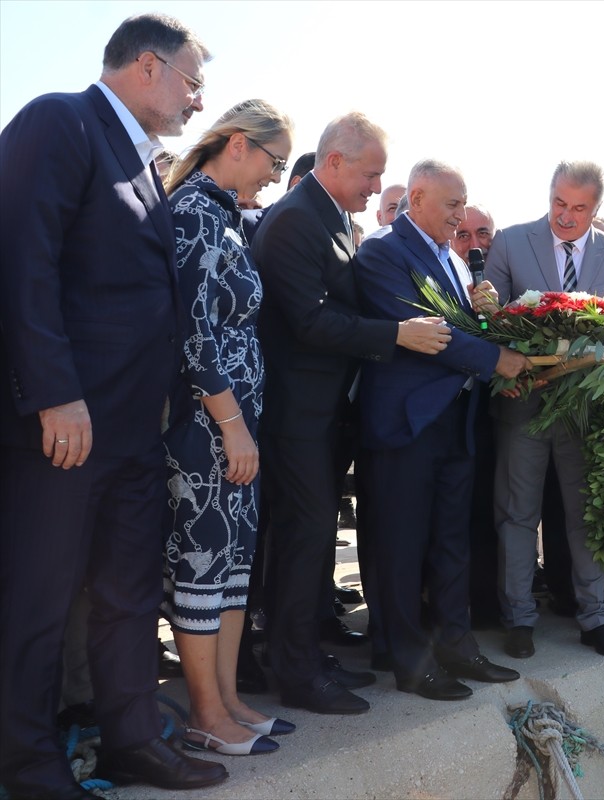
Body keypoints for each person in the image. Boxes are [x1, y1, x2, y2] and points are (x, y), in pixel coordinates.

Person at [0, 13, 230, 795]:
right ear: (146, 66)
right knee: (39, 600)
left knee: (129, 598)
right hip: (63, 430)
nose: (200, 101)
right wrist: (53, 392)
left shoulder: (142, 164)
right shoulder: (60, 121)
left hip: (134, 433)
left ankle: (133, 736)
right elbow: (20, 258)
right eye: (193, 82)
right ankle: (26, 760)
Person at [252, 112, 451, 716]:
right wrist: (398, 335)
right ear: (333, 161)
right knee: (302, 539)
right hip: (294, 414)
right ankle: (295, 671)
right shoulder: (292, 221)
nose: (374, 188)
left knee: (311, 542)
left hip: (323, 413)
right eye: (371, 175)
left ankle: (306, 656)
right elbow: (310, 322)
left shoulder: (331, 219)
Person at [354, 160, 528, 700]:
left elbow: (459, 329)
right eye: (453, 205)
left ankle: (457, 645)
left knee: (451, 544)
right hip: (407, 425)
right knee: (402, 549)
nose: (460, 216)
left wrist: (490, 320)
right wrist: (498, 356)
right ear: (420, 196)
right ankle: (409, 660)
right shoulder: (382, 250)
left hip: (456, 423)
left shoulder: (450, 257)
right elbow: (429, 335)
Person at [161, 99, 296, 755]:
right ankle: (204, 714)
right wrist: (232, 426)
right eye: (275, 161)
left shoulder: (226, 217)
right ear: (238, 144)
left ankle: (230, 699)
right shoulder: (191, 213)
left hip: (236, 428)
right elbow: (194, 335)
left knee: (234, 568)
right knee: (203, 565)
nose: (276, 175)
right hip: (206, 429)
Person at [485, 160, 604, 660]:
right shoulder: (509, 242)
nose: (566, 217)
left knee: (586, 516)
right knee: (517, 515)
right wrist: (504, 371)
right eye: (558, 203)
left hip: (585, 413)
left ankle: (595, 616)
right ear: (548, 194)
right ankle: (518, 617)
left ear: (597, 208)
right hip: (522, 405)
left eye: (579, 208)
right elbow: (490, 325)